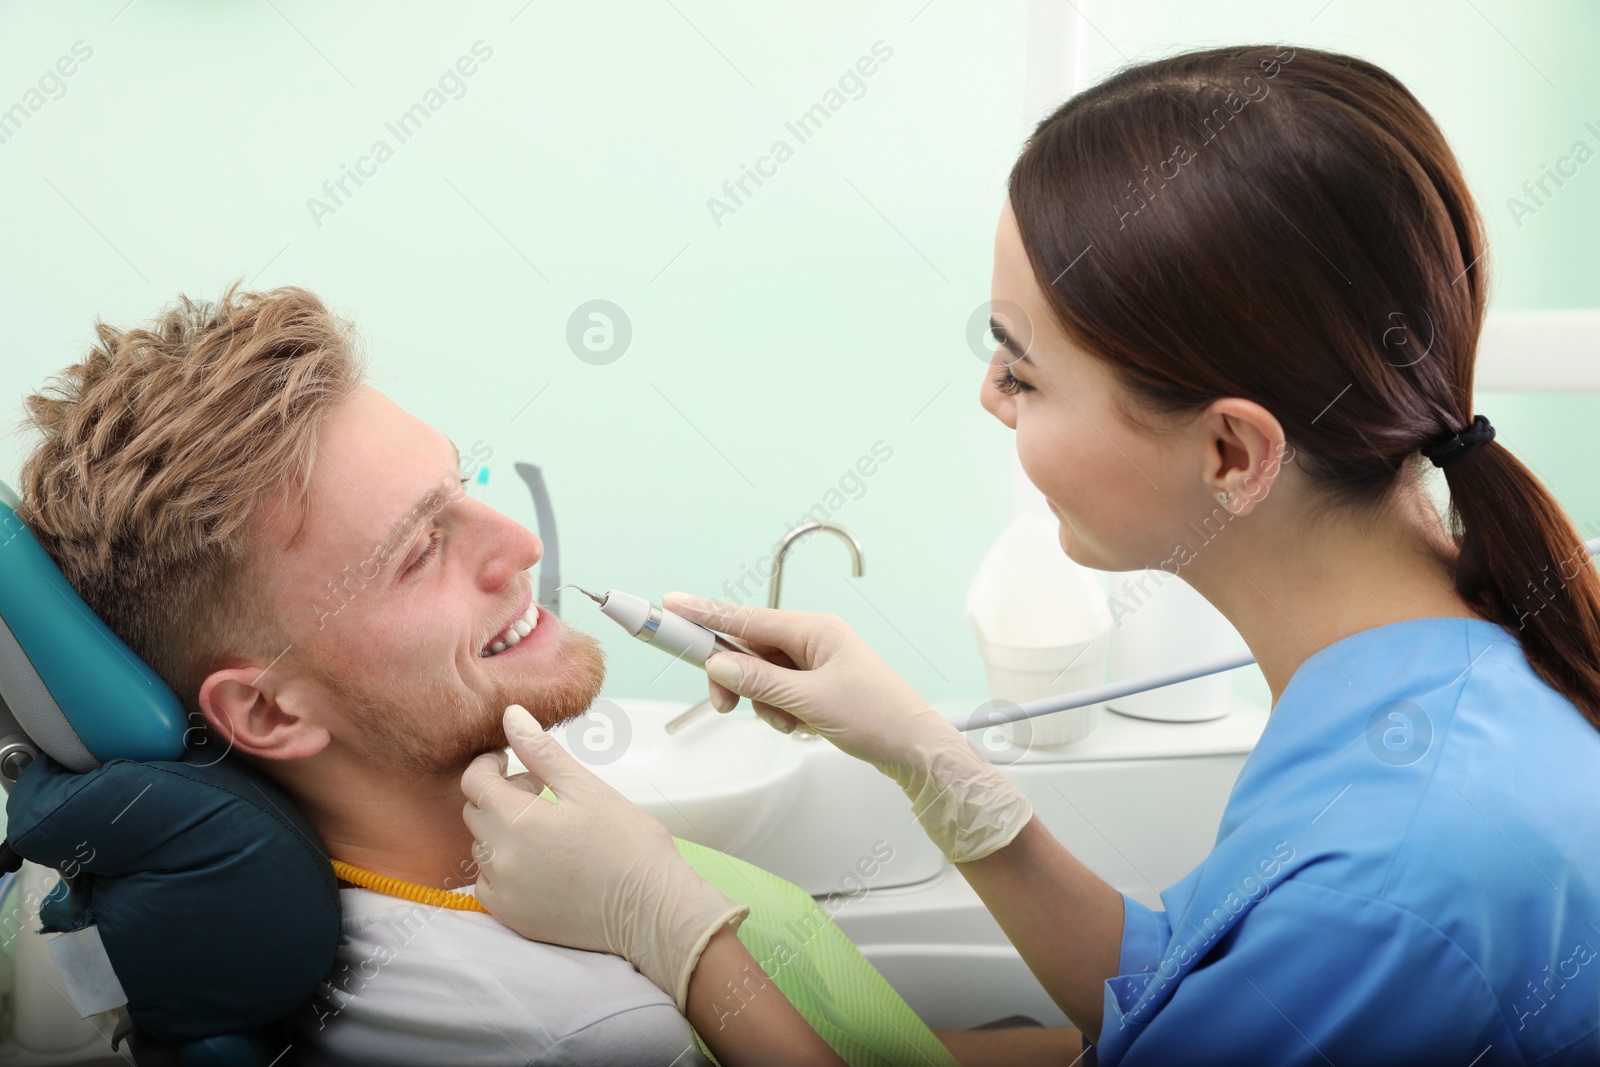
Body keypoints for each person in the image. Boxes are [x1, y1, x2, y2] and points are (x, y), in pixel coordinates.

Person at [460, 44, 1600, 1066]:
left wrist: (682, 938)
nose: (988, 394)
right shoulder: (1429, 672)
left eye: (1022, 368)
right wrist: (932, 763)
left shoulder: (1389, 879)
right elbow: (1184, 989)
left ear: (1229, 450)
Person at [15, 285, 1072, 1065]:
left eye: (460, 484)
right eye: (420, 547)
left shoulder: (520, 841)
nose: (516, 541)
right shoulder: (568, 1027)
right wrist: (685, 942)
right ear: (267, 708)